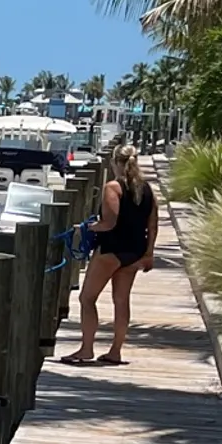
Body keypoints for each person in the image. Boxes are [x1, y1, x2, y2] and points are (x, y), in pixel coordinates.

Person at [61, 141, 157, 366]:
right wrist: (149, 254)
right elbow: (152, 225)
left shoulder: (113, 187)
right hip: (135, 251)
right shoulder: (147, 189)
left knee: (87, 298)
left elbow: (109, 223)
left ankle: (86, 349)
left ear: (114, 163)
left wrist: (86, 228)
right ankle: (115, 351)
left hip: (111, 250)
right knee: (121, 301)